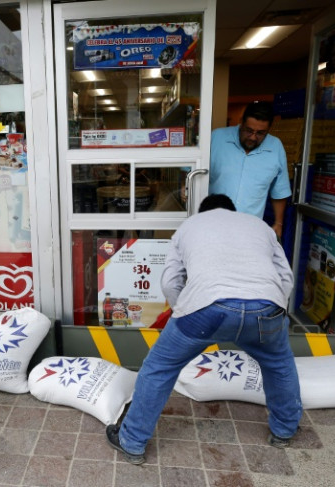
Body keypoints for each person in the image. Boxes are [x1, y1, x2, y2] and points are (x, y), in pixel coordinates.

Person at [105, 194, 302, 465]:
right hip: (266, 308)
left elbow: (171, 281)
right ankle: (284, 431)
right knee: (279, 364)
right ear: (233, 211)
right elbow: (285, 277)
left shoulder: (190, 226)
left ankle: (132, 441)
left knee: (159, 368)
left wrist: (183, 311)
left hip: (205, 310)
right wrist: (274, 307)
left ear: (202, 212)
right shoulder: (260, 226)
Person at [209, 101, 291, 238]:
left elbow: (279, 191)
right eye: (249, 130)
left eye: (260, 133)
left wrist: (278, 223)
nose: (253, 137)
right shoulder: (217, 138)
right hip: (211, 225)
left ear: (269, 129)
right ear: (241, 122)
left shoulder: (275, 147)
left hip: (249, 231)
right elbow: (194, 170)